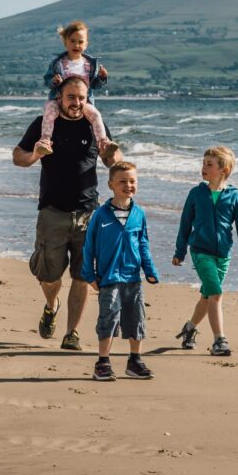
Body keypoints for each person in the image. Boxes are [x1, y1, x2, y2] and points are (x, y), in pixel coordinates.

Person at [12, 76, 122, 350]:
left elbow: (111, 161)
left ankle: (71, 333)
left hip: (88, 212)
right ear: (59, 98)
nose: (76, 103)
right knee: (49, 277)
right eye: (70, 97)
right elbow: (18, 156)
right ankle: (52, 304)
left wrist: (113, 155)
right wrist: (35, 154)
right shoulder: (43, 124)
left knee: (83, 275)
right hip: (52, 211)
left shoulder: (95, 124)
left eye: (81, 98)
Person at [80, 161, 159, 381]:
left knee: (136, 318)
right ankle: (102, 363)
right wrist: (89, 274)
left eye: (132, 181)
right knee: (109, 317)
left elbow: (143, 244)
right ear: (111, 185)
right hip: (109, 277)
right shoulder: (101, 215)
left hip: (133, 276)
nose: (128, 185)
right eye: (122, 181)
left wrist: (149, 270)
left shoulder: (138, 214)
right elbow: (89, 246)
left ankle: (135, 361)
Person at [171, 145, 238, 357]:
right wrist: (180, 251)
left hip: (223, 254)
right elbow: (185, 224)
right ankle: (219, 340)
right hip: (200, 251)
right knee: (216, 293)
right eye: (203, 163)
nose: (204, 167)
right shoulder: (196, 194)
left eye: (209, 164)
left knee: (207, 297)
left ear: (223, 169)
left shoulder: (235, 197)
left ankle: (189, 328)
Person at [38, 20, 112, 155]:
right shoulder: (57, 63)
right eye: (72, 41)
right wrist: (54, 81)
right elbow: (47, 80)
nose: (76, 45)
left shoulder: (90, 64)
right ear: (65, 42)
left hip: (83, 102)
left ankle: (103, 142)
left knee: (95, 115)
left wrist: (101, 77)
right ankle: (45, 141)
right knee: (49, 111)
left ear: (86, 44)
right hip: (59, 100)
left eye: (80, 42)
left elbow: (95, 85)